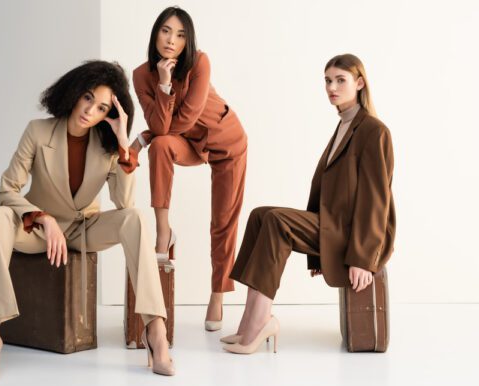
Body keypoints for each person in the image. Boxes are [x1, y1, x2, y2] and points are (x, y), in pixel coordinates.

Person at [0, 61, 175, 383]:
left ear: (108, 114)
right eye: (87, 98)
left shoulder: (109, 146)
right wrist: (43, 218)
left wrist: (123, 142)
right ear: (74, 93)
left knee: (135, 218)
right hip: (40, 230)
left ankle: (155, 330)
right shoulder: (37, 131)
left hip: (84, 229)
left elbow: (124, 204)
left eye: (101, 108)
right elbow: (6, 190)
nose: (90, 111)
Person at [223, 54, 396, 354]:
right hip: (332, 224)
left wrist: (363, 258)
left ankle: (260, 323)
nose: (332, 86)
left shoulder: (373, 131)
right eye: (328, 80)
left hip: (353, 234)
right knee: (260, 215)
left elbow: (375, 199)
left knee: (277, 222)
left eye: (341, 80)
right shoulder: (344, 125)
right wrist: (316, 254)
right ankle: (249, 321)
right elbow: (325, 191)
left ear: (359, 82)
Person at [131, 6, 248, 331]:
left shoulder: (200, 62)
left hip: (226, 140)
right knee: (163, 146)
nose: (172, 40)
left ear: (189, 41)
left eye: (181, 34)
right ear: (155, 33)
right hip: (188, 143)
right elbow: (162, 127)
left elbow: (185, 118)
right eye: (166, 31)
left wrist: (143, 136)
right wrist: (164, 84)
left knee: (222, 221)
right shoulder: (142, 74)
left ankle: (218, 293)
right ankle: (164, 229)